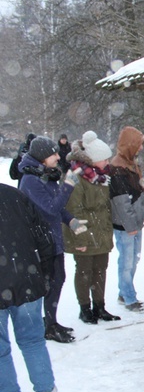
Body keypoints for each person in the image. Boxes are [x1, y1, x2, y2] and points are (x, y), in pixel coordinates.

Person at [0, 184, 67, 392]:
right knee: (32, 342)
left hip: (21, 280)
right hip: (27, 281)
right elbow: (44, 236)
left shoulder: (15, 196)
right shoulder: (15, 196)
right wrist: (45, 275)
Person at [18, 136, 88, 344]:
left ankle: (51, 321)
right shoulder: (30, 180)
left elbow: (57, 208)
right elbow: (50, 208)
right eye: (53, 154)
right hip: (41, 243)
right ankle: (47, 326)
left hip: (53, 238)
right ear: (41, 157)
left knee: (58, 280)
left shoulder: (45, 175)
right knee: (49, 283)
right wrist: (68, 186)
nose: (58, 157)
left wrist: (71, 221)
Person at [63, 131, 120, 324]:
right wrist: (81, 239)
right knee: (84, 271)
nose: (107, 162)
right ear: (93, 159)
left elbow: (104, 208)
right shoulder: (76, 177)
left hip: (101, 233)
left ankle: (99, 306)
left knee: (100, 270)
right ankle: (84, 308)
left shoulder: (101, 177)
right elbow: (73, 211)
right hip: (84, 235)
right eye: (104, 159)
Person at [110, 126, 144, 313]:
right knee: (126, 262)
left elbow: (140, 191)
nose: (141, 148)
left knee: (134, 260)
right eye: (139, 144)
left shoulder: (132, 164)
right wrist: (130, 225)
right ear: (130, 145)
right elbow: (120, 201)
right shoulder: (117, 168)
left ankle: (124, 291)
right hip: (125, 225)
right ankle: (128, 297)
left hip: (135, 223)